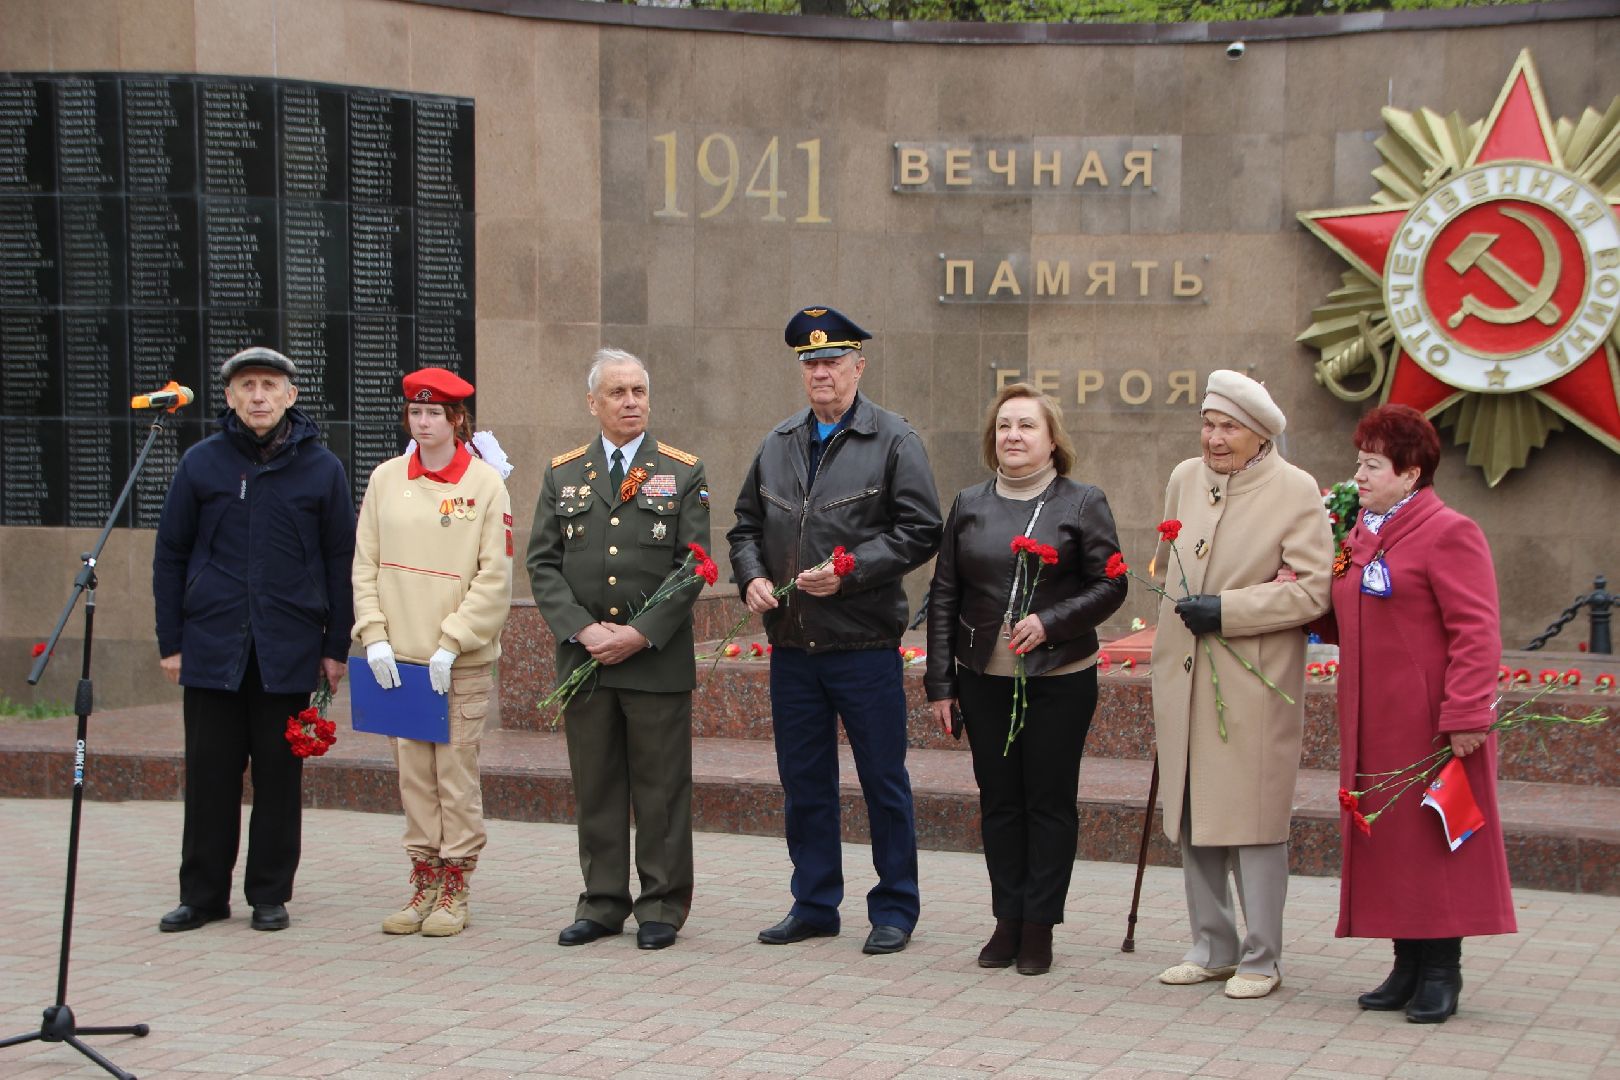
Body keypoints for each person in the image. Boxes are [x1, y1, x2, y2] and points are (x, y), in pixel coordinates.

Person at [727, 305, 943, 956]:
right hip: (794, 645)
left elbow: (921, 530)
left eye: (832, 361)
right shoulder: (779, 442)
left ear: (858, 365)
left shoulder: (894, 440)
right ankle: (815, 902)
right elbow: (743, 527)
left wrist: (849, 572)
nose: (821, 372)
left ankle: (895, 908)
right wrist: (751, 578)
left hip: (863, 645)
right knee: (804, 781)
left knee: (883, 781)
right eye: (810, 363)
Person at [1320, 404, 1515, 1023]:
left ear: (1411, 473)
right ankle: (1407, 962)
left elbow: (1476, 631)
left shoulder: (1449, 531)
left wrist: (1465, 714)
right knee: (1392, 844)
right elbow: (1342, 613)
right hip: (1373, 721)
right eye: (1359, 463)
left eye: (1373, 465)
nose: (1360, 476)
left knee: (1435, 841)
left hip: (1430, 722)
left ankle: (1441, 969)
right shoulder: (1359, 536)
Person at [924, 384, 1126, 975]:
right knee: (1000, 803)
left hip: (1059, 678)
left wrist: (1051, 622)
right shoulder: (969, 503)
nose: (1013, 435)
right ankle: (1006, 919)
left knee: (1048, 802)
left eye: (1026, 426)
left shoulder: (1084, 502)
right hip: (984, 677)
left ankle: (1039, 927)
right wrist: (942, 682)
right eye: (1004, 426)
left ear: (1051, 439)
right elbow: (943, 594)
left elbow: (1111, 583)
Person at [152, 346, 355, 933]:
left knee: (277, 778)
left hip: (288, 648)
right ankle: (203, 894)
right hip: (213, 644)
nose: (258, 396)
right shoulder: (202, 463)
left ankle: (269, 893)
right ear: (230, 397)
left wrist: (334, 647)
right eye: (247, 386)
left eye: (270, 385)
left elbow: (340, 558)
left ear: (291, 395)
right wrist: (172, 639)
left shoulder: (322, 469)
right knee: (210, 776)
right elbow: (171, 554)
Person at [1149, 369, 1332, 998]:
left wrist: (1227, 610)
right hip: (1185, 674)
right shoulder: (1183, 478)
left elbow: (1312, 589)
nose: (1214, 437)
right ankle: (1211, 945)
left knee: (1254, 821)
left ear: (1259, 435)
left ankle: (1262, 958)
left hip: (1253, 681)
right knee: (1195, 814)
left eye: (1229, 427)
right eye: (1208, 422)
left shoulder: (1295, 489)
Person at [526, 348, 708, 951]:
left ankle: (661, 904)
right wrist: (584, 631)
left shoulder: (682, 471)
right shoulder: (564, 473)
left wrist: (638, 632)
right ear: (593, 403)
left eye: (638, 392)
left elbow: (693, 568)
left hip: (653, 659)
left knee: (659, 790)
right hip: (587, 661)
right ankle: (602, 901)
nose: (631, 402)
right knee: (598, 785)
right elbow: (543, 565)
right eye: (617, 393)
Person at [352, 368, 513, 938]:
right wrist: (372, 633)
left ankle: (455, 886)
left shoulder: (486, 484)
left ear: (457, 420)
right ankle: (422, 879)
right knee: (413, 777)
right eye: (415, 414)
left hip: (456, 664)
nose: (423, 424)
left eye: (435, 415)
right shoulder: (385, 478)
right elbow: (365, 564)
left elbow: (495, 577)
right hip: (398, 661)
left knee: (454, 777)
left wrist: (454, 640)